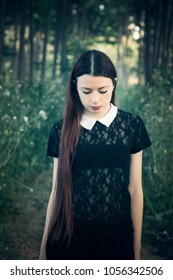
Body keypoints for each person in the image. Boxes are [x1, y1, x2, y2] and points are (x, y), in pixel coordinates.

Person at [39, 49, 151, 260]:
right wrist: (44, 248)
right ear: (75, 87)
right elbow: (57, 191)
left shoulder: (132, 125)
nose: (95, 99)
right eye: (86, 91)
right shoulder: (60, 130)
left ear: (114, 84)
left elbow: (135, 189)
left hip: (118, 236)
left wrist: (136, 249)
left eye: (102, 90)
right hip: (72, 236)